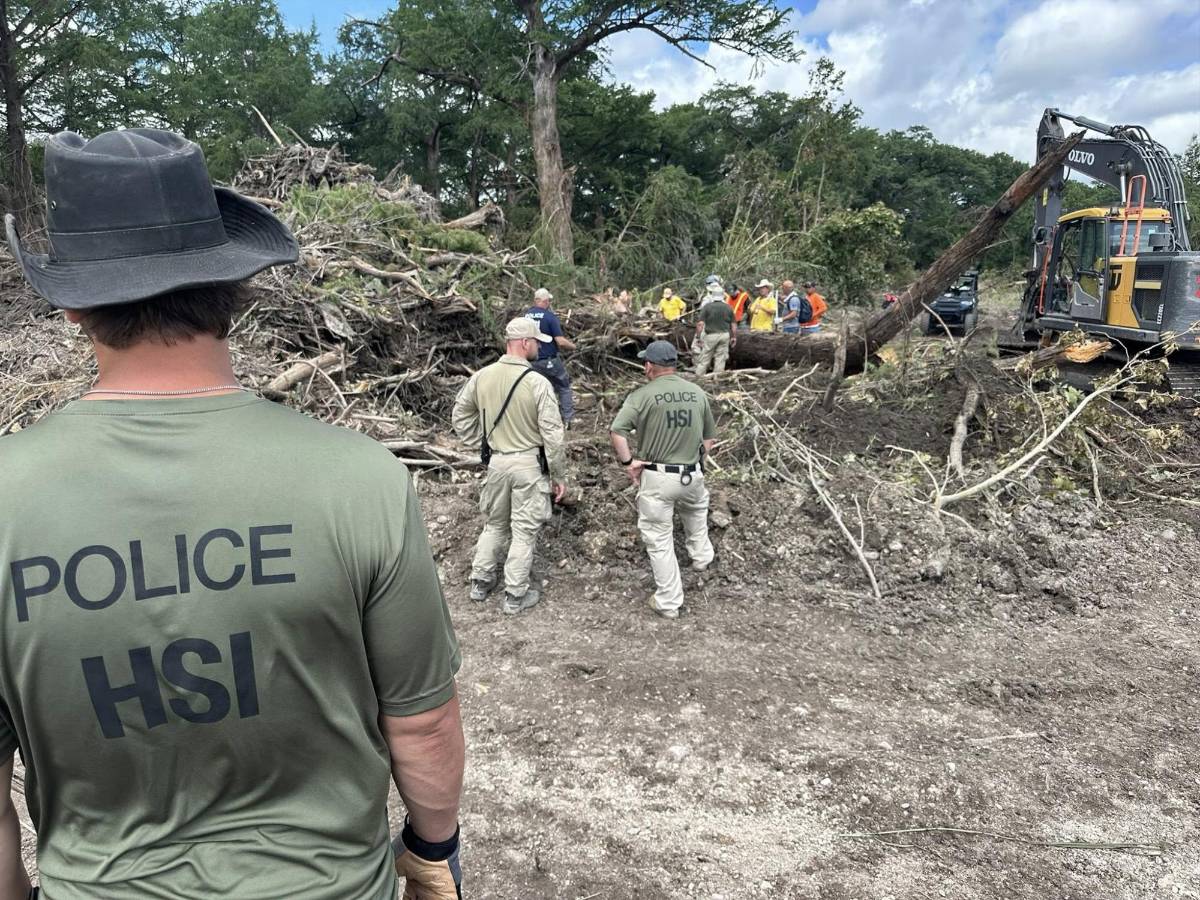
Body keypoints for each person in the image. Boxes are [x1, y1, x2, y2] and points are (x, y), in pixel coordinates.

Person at [0, 128, 464, 899]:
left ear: (72, 307)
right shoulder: (361, 479)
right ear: (234, 287)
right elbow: (423, 722)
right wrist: (430, 849)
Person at [452, 317, 567, 615]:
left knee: (494, 525)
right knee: (524, 532)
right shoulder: (537, 382)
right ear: (525, 343)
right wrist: (558, 475)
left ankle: (480, 582)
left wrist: (480, 439)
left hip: (497, 463)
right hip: (528, 465)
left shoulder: (481, 377)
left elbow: (460, 415)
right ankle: (515, 594)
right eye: (536, 341)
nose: (539, 347)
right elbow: (553, 435)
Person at [610, 341, 717, 619]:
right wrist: (697, 460)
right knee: (696, 512)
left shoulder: (641, 396)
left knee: (658, 536)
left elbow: (617, 431)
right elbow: (709, 438)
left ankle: (668, 601)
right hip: (692, 473)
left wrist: (628, 463)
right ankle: (702, 560)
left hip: (659, 476)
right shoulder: (697, 393)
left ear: (649, 366)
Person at [526, 287, 576, 426]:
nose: (549, 303)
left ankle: (537, 421)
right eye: (548, 300)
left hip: (531, 362)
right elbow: (560, 341)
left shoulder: (526, 316)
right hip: (549, 361)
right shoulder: (549, 317)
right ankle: (568, 419)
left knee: (537, 391)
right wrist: (574, 346)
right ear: (545, 301)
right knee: (563, 386)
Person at [694, 291, 737, 376]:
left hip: (711, 336)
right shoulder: (728, 307)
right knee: (720, 359)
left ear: (712, 296)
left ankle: (699, 377)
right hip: (725, 335)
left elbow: (700, 324)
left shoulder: (707, 307)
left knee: (705, 358)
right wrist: (734, 337)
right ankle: (717, 378)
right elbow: (733, 324)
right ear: (723, 296)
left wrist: (698, 337)